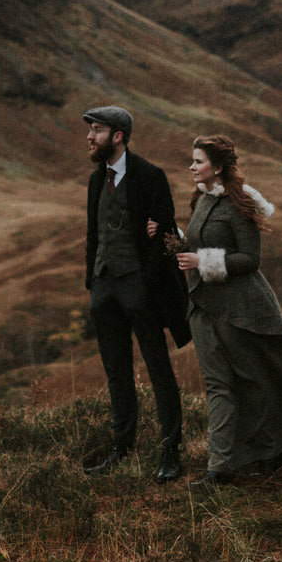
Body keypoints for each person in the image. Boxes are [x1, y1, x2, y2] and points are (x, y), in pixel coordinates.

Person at [168, 134, 282, 487]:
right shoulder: (199, 200)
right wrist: (175, 241)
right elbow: (200, 245)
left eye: (198, 161)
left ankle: (277, 448)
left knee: (254, 380)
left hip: (240, 308)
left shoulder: (239, 204)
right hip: (203, 305)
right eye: (193, 160)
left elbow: (250, 259)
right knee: (217, 384)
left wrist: (203, 261)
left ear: (217, 166)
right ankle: (221, 467)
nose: (191, 166)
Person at [81, 105, 191, 483]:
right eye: (90, 130)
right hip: (105, 287)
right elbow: (94, 234)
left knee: (158, 368)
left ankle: (170, 451)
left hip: (140, 289)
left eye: (96, 130)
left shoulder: (150, 176)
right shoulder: (97, 180)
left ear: (118, 136)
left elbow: (165, 236)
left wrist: (144, 284)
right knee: (116, 372)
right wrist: (92, 282)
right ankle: (122, 447)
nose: (90, 137)